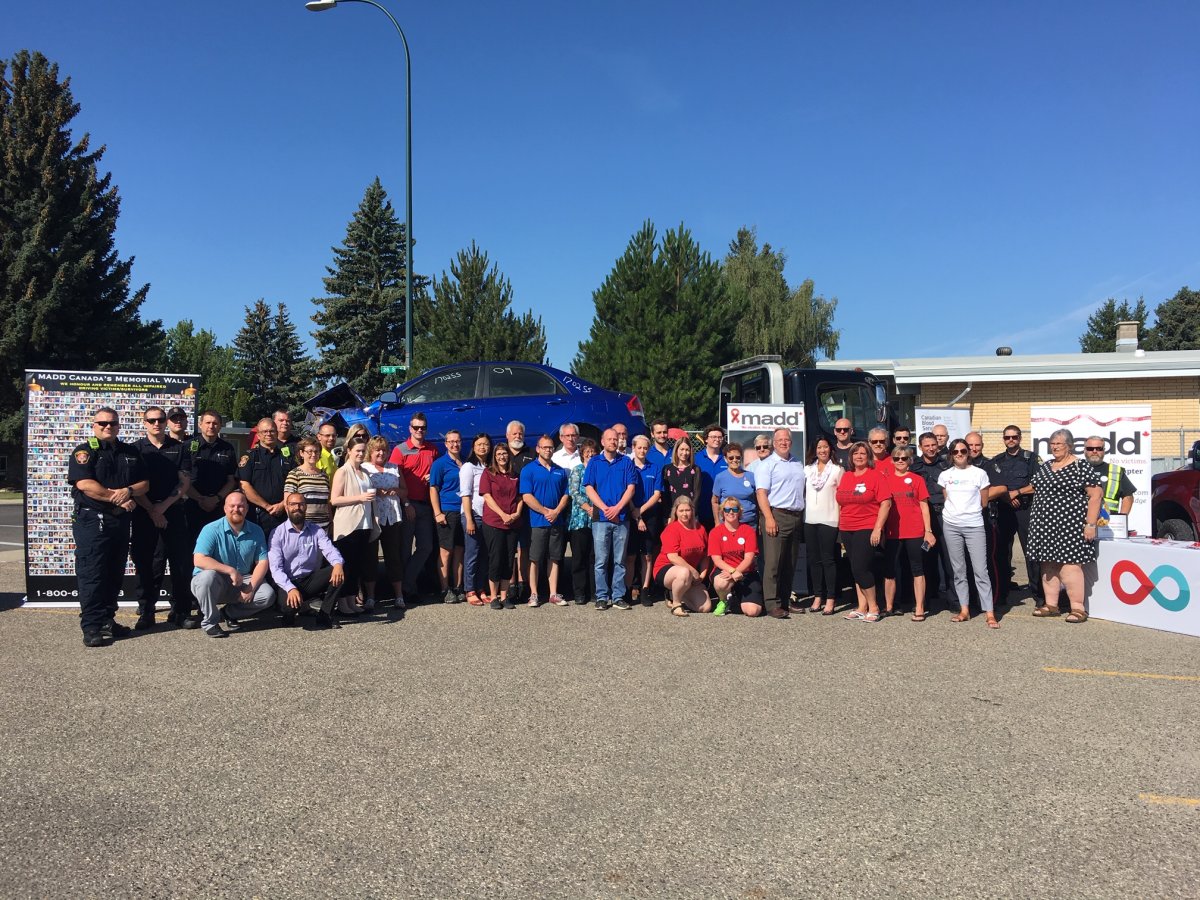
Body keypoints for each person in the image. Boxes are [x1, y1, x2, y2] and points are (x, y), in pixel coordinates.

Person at [69, 408, 149, 647]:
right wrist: (118, 496)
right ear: (93, 425)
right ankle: (91, 627)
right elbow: (85, 484)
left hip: (120, 522)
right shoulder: (85, 452)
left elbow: (144, 483)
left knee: (115, 573)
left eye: (112, 423)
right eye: (102, 423)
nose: (108, 427)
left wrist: (130, 491)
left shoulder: (130, 452)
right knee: (93, 574)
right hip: (93, 521)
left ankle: (107, 620)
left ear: (118, 426)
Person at [1029, 428, 1103, 624]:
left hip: (1069, 526)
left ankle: (1078, 608)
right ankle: (1051, 605)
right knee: (1048, 565)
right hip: (1044, 525)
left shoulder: (1080, 466)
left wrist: (1090, 524)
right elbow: (1035, 487)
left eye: (1058, 444)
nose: (1054, 447)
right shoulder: (1046, 466)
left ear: (1069, 446)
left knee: (1069, 567)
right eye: (1052, 444)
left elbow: (1096, 495)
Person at [130, 405, 194, 630]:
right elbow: (134, 486)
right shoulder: (135, 450)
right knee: (149, 565)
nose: (156, 424)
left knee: (180, 564)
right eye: (151, 420)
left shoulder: (179, 448)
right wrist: (152, 510)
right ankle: (146, 611)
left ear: (165, 422)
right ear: (144, 423)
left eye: (160, 420)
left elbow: (184, 481)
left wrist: (163, 507)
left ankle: (181, 610)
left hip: (173, 513)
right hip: (144, 514)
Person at [191, 492, 275, 638]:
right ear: (224, 508)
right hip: (215, 581)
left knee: (267, 595)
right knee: (207, 577)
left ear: (247, 509)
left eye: (241, 506)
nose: (236, 509)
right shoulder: (211, 529)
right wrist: (230, 570)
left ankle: (228, 613)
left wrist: (251, 587)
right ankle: (210, 622)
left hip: (242, 579)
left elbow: (262, 562)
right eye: (232, 506)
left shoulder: (256, 530)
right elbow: (199, 560)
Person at [937, 439, 1000, 629]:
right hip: (951, 525)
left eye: (963, 451)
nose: (959, 454)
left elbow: (983, 501)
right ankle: (964, 610)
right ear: (950, 454)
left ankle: (989, 612)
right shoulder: (945, 475)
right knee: (959, 570)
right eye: (955, 452)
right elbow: (947, 498)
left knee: (981, 570)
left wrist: (968, 513)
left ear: (968, 452)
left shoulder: (979, 473)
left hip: (974, 525)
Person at [269, 492, 346, 629]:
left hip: (309, 580)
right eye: (293, 504)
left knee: (338, 571)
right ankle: (289, 616)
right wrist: (290, 588)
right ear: (286, 508)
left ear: (305, 507)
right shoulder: (277, 533)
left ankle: (325, 615)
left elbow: (329, 549)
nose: (297, 507)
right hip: (288, 581)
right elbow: (275, 569)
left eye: (301, 504)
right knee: (288, 605)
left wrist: (338, 564)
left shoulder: (316, 530)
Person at [835, 442, 892, 623]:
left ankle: (874, 606)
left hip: (866, 526)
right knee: (854, 568)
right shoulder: (847, 476)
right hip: (846, 527)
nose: (859, 456)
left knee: (861, 568)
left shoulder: (876, 476)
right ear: (851, 457)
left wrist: (877, 528)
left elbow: (886, 503)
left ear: (868, 457)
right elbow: (841, 502)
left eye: (862, 453)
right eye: (855, 454)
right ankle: (861, 607)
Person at [583, 428, 638, 610]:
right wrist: (605, 508)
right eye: (610, 439)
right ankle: (601, 596)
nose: (613, 442)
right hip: (601, 518)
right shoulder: (594, 462)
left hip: (621, 518)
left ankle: (618, 596)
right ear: (603, 441)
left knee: (619, 560)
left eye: (616, 439)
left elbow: (631, 488)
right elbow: (589, 488)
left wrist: (617, 508)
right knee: (601, 560)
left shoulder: (626, 462)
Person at [755, 428, 806, 620]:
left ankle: (785, 601)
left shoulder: (797, 463)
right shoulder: (767, 465)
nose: (784, 442)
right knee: (774, 563)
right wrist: (768, 518)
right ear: (774, 443)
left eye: (787, 439)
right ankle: (772, 604)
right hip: (776, 515)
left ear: (791, 442)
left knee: (790, 563)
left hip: (795, 516)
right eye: (780, 440)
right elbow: (761, 493)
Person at [990, 425, 1043, 607]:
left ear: (1020, 438)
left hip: (1025, 510)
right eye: (1007, 437)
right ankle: (1002, 594)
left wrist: (1017, 493)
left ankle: (1039, 595)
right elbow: (993, 486)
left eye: (1014, 437)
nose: (1010, 440)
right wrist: (1007, 497)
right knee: (1002, 553)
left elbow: (1039, 484)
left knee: (1032, 552)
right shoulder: (996, 461)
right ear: (1003, 439)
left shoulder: (1032, 459)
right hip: (1004, 510)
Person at [389, 412, 438, 603]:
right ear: (410, 429)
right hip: (407, 505)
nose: (419, 431)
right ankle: (407, 590)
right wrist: (406, 503)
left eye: (423, 427)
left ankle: (407, 583)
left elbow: (437, 474)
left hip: (425, 506)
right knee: (404, 550)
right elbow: (394, 480)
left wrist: (431, 477)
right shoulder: (399, 451)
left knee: (426, 547)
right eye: (416, 427)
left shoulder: (432, 450)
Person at [330, 435, 381, 615]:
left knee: (357, 566)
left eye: (363, 450)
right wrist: (359, 498)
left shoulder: (365, 472)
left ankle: (351, 601)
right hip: (348, 525)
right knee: (347, 566)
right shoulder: (342, 471)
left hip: (365, 524)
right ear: (349, 451)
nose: (360, 453)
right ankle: (342, 603)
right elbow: (335, 499)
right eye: (357, 450)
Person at [883, 446, 934, 621]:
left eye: (904, 458)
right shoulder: (885, 480)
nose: (900, 461)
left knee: (917, 569)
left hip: (914, 531)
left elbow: (924, 506)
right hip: (892, 532)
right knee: (890, 570)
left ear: (910, 460)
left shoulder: (917, 480)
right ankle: (889, 606)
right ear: (892, 461)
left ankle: (919, 606)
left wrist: (928, 531)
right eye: (897, 458)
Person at [520, 435, 570, 607]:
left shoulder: (560, 470)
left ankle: (553, 593)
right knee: (535, 559)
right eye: (545, 447)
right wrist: (545, 511)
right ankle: (533, 594)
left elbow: (566, 494)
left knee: (554, 558)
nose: (548, 450)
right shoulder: (528, 470)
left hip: (557, 521)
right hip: (537, 522)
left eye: (550, 447)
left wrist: (556, 512)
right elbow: (526, 496)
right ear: (538, 449)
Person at [364, 435, 408, 608]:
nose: (381, 453)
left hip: (392, 517)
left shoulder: (394, 468)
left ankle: (398, 595)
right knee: (370, 557)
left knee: (393, 557)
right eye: (377, 450)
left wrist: (396, 490)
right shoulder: (365, 468)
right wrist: (376, 491)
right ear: (371, 451)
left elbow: (405, 491)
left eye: (384, 450)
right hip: (373, 517)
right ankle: (370, 597)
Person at [911, 431, 954, 605]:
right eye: (926, 446)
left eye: (933, 445)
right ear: (920, 447)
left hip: (943, 514)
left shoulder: (947, 466)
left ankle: (954, 600)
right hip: (922, 517)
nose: (930, 448)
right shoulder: (913, 467)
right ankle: (926, 599)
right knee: (925, 557)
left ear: (938, 445)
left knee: (948, 557)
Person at [184, 410, 238, 545]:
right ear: (200, 425)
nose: (211, 426)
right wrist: (200, 499)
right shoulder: (187, 447)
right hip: (193, 506)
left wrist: (216, 499)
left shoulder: (228, 448)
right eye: (207, 422)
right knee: (190, 548)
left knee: (218, 547)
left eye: (215, 423)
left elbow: (231, 480)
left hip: (218, 507)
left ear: (220, 426)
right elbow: (183, 479)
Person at [803, 436, 843, 616]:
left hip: (830, 519)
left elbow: (842, 498)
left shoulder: (837, 470)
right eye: (819, 447)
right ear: (815, 450)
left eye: (825, 447)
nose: (822, 450)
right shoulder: (807, 470)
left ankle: (831, 598)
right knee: (814, 560)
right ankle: (818, 595)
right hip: (810, 520)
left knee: (828, 560)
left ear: (830, 449)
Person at [480, 444, 523, 609]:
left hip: (512, 522)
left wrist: (517, 513)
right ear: (494, 456)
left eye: (504, 453)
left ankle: (505, 597)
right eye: (498, 454)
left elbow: (520, 497)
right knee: (496, 559)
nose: (502, 456)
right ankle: (494, 597)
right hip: (494, 522)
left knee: (508, 560)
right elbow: (487, 497)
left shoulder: (515, 475)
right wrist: (502, 514)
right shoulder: (488, 473)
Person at [653, 496, 711, 617]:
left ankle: (676, 592)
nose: (684, 514)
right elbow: (673, 557)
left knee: (705, 608)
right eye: (681, 511)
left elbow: (705, 555)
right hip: (666, 568)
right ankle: (676, 604)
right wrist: (693, 571)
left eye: (687, 510)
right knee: (684, 573)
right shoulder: (671, 529)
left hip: (690, 574)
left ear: (692, 511)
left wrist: (702, 575)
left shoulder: (700, 529)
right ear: (676, 512)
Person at [238, 418, 296, 538]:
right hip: (257, 515)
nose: (268, 434)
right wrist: (267, 506)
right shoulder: (250, 456)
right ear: (258, 435)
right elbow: (244, 485)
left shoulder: (287, 456)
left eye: (272, 431)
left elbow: (295, 483)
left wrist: (282, 504)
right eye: (264, 432)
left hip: (283, 513)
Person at [709, 497, 763, 617]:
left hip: (746, 573)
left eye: (734, 509)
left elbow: (749, 558)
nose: (731, 512)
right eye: (727, 509)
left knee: (753, 612)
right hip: (725, 570)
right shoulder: (715, 532)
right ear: (722, 512)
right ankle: (723, 600)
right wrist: (732, 571)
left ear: (740, 512)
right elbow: (716, 559)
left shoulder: (748, 530)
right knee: (720, 583)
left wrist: (737, 571)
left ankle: (736, 597)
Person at [627, 434, 663, 606]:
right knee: (631, 556)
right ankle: (628, 590)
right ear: (633, 448)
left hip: (649, 515)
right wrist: (634, 512)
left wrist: (639, 512)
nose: (642, 451)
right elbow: (626, 491)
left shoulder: (654, 468)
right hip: (630, 512)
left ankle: (645, 589)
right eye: (639, 447)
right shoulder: (627, 466)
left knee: (647, 556)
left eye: (645, 448)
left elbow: (657, 494)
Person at [430, 431, 465, 603]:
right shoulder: (440, 464)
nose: (454, 445)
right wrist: (437, 512)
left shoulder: (464, 463)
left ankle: (458, 587)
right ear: (445, 444)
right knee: (445, 552)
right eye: (451, 442)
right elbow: (433, 489)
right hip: (447, 512)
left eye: (457, 441)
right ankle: (445, 589)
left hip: (464, 512)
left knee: (459, 550)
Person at [459, 433, 492, 605]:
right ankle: (469, 589)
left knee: (485, 554)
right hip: (473, 514)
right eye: (479, 444)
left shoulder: (490, 466)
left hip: (489, 516)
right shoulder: (468, 467)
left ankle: (481, 587)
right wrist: (469, 518)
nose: (483, 447)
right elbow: (465, 494)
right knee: (472, 553)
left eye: (486, 444)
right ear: (473, 447)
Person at [504, 419, 536, 599]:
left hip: (526, 509)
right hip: (505, 510)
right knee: (508, 549)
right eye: (514, 433)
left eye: (520, 433)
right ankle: (510, 584)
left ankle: (523, 583)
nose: (518, 436)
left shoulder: (531, 453)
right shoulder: (500, 452)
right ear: (507, 435)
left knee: (524, 548)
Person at [566, 438, 598, 605]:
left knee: (594, 557)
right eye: (587, 453)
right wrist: (588, 508)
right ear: (582, 455)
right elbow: (574, 492)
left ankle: (594, 592)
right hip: (580, 519)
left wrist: (596, 509)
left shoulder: (600, 470)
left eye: (593, 452)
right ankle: (579, 592)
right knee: (579, 557)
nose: (590, 455)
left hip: (597, 520)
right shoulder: (577, 470)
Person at [284, 437, 333, 533]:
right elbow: (287, 503)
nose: (313, 454)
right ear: (302, 453)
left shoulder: (324, 475)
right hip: (304, 527)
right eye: (309, 451)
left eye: (316, 451)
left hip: (324, 528)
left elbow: (327, 503)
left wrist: (331, 521)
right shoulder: (294, 474)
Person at [1083, 436, 1136, 517]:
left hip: (1108, 525)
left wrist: (1121, 520)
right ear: (1085, 450)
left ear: (1104, 450)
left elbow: (1128, 497)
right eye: (1090, 448)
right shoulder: (1076, 470)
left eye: (1099, 448)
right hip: (1080, 522)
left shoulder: (1115, 471)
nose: (1094, 451)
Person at [711, 442, 756, 530]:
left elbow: (757, 501)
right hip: (728, 524)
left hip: (750, 523)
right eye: (731, 458)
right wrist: (717, 522)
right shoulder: (720, 477)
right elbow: (715, 501)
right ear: (725, 459)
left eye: (738, 457)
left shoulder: (751, 476)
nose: (734, 460)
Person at [695, 424, 728, 529]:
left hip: (723, 508)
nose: (717, 439)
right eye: (713, 437)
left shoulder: (727, 459)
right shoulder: (696, 458)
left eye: (719, 437)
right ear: (706, 439)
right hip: (702, 507)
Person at [661, 437, 700, 515]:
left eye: (687, 450)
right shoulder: (667, 469)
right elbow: (665, 495)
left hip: (689, 513)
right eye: (682, 449)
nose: (684, 453)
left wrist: (691, 512)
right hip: (672, 512)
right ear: (676, 450)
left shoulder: (695, 469)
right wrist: (668, 515)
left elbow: (697, 493)